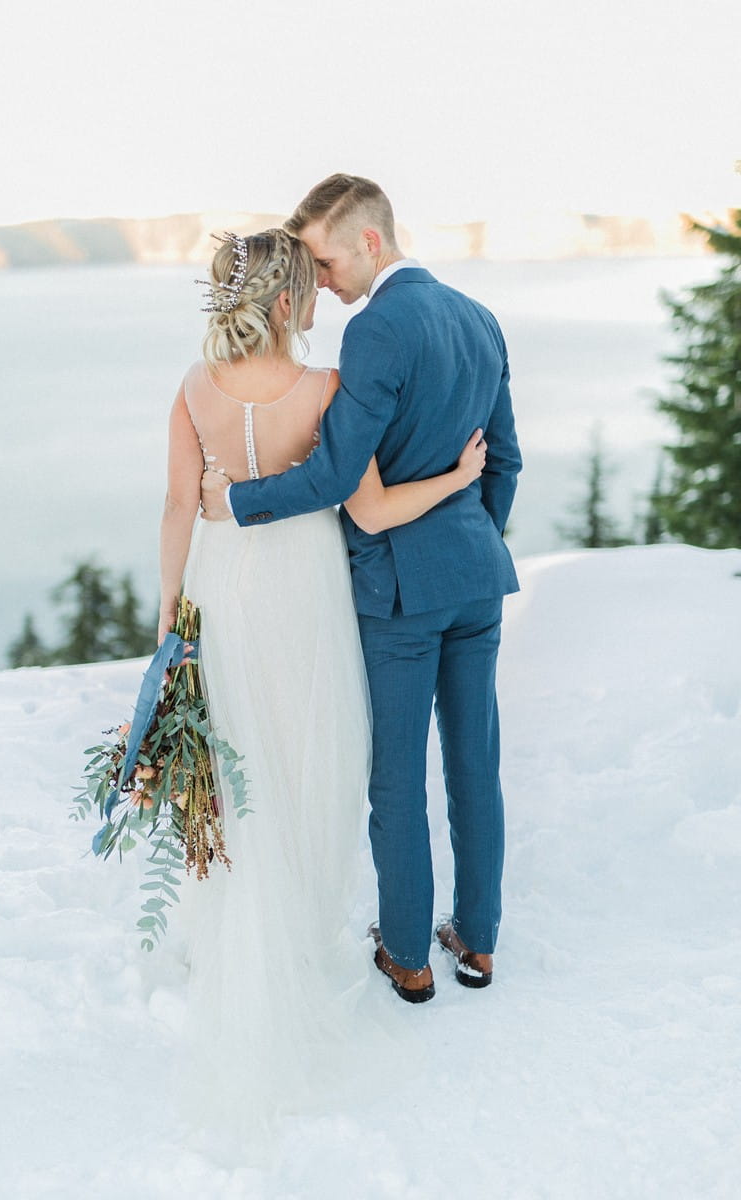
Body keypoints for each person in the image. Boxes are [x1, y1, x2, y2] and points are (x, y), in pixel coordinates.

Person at [159, 227, 486, 1141]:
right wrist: (459, 476)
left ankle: (234, 932)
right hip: (304, 595)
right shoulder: (325, 391)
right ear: (288, 300)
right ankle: (295, 939)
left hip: (224, 593)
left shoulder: (193, 386)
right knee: (308, 761)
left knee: (233, 765)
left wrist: (168, 618)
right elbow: (373, 507)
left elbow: (179, 504)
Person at [200, 176, 522, 1004]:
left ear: (370, 243)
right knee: (475, 763)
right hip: (476, 578)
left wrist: (236, 502)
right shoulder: (480, 319)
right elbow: (507, 463)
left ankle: (410, 954)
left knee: (396, 777)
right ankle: (478, 944)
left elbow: (339, 475)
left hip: (399, 592)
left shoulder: (378, 329)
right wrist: (472, 538)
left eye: (327, 258)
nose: (323, 280)